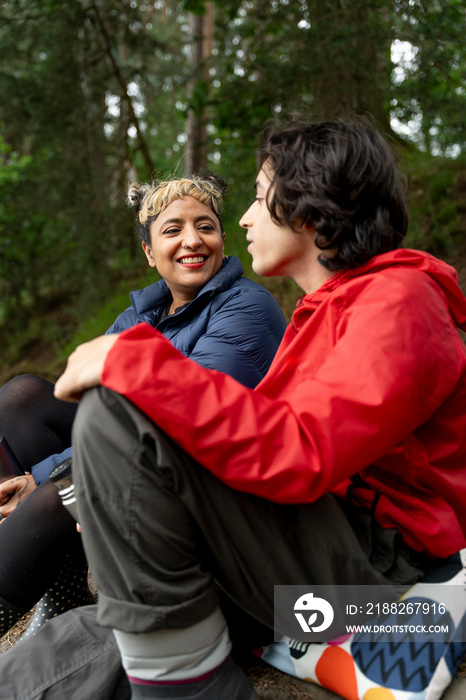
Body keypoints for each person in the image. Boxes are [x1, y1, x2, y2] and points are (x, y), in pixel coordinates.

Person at [2, 117, 465, 700]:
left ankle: (193, 689)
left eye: (257, 199)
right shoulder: (323, 312)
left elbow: (299, 452)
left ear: (310, 208)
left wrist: (135, 365)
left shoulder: (401, 300)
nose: (243, 217)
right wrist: (127, 500)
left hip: (377, 586)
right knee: (68, 655)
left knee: (115, 420)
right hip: (306, 555)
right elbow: (246, 447)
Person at [0, 173, 286, 642]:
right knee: (23, 399)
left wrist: (44, 476)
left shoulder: (247, 308)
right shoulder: (140, 318)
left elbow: (180, 422)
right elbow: (92, 407)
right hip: (144, 461)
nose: (192, 240)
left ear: (221, 238)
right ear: (150, 253)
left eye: (206, 226)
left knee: (58, 494)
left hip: (207, 486)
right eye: (172, 230)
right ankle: (63, 590)